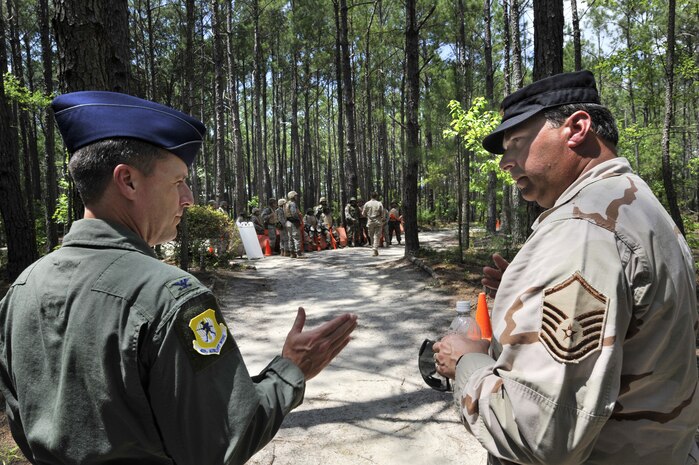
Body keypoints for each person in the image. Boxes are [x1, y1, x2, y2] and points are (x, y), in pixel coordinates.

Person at [0, 91, 358, 465]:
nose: (188, 198)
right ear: (128, 181)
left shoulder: (22, 290)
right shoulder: (169, 297)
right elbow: (223, 441)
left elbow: (21, 422)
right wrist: (291, 370)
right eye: (178, 182)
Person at [432, 70, 699, 464]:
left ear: (576, 128)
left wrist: (466, 361)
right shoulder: (637, 202)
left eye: (517, 144)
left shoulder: (583, 231)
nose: (506, 163)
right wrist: (529, 301)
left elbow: (538, 435)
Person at [361, 192, 385, 256]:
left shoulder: (367, 204)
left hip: (370, 221)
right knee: (377, 236)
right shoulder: (379, 203)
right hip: (378, 221)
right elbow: (382, 213)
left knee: (371, 236)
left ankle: (374, 248)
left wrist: (368, 216)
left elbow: (363, 214)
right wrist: (382, 218)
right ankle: (375, 249)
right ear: (376, 196)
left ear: (371, 196)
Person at [284, 190, 305, 258]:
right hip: (293, 222)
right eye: (295, 195)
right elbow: (294, 213)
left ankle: (292, 253)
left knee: (290, 238)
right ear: (292, 196)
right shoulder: (292, 203)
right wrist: (298, 221)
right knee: (296, 237)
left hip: (288, 222)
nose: (296, 197)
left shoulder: (286, 203)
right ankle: (298, 253)